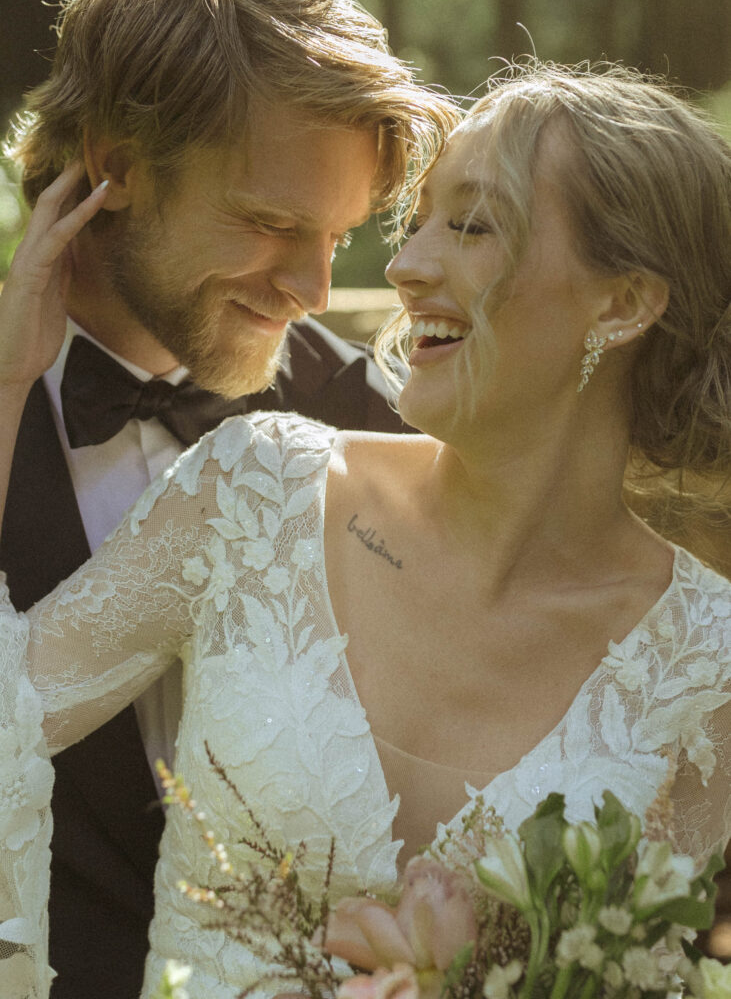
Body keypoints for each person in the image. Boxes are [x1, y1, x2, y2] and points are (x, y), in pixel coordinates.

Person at [1, 61, 730, 998]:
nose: (403, 265)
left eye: (470, 226)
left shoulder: (702, 661)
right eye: (415, 220)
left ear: (622, 302)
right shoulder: (256, 487)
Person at [0, 0, 457, 996]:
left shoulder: (370, 419)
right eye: (266, 222)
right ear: (115, 169)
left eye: (337, 237)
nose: (311, 289)